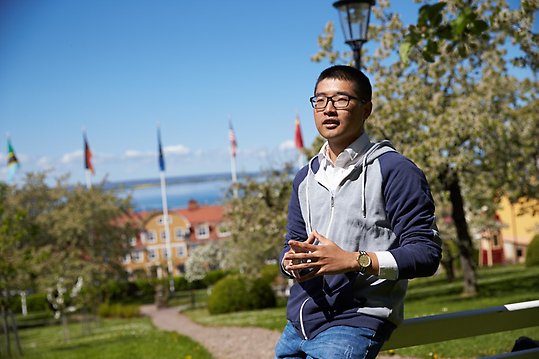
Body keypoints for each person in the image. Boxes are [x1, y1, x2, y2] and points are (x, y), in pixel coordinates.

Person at [274, 65, 442, 359]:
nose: (328, 109)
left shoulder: (395, 170)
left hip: (355, 320)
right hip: (298, 325)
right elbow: (292, 241)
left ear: (367, 109)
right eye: (320, 100)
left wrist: (353, 261)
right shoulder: (304, 178)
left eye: (341, 100)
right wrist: (291, 262)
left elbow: (426, 253)